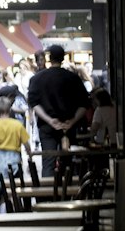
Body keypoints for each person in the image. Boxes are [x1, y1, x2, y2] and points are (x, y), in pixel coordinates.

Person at [26, 43, 90, 177]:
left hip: (46, 127)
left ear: (49, 58)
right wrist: (72, 121)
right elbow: (84, 104)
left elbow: (34, 103)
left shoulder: (37, 79)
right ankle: (66, 193)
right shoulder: (73, 78)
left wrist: (50, 120)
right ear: (63, 58)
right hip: (68, 126)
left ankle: (49, 195)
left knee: (48, 162)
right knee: (68, 162)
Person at [0, 91, 33, 223]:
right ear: (10, 109)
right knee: (8, 187)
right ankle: (3, 212)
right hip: (13, 158)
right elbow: (26, 144)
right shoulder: (17, 125)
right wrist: (30, 157)